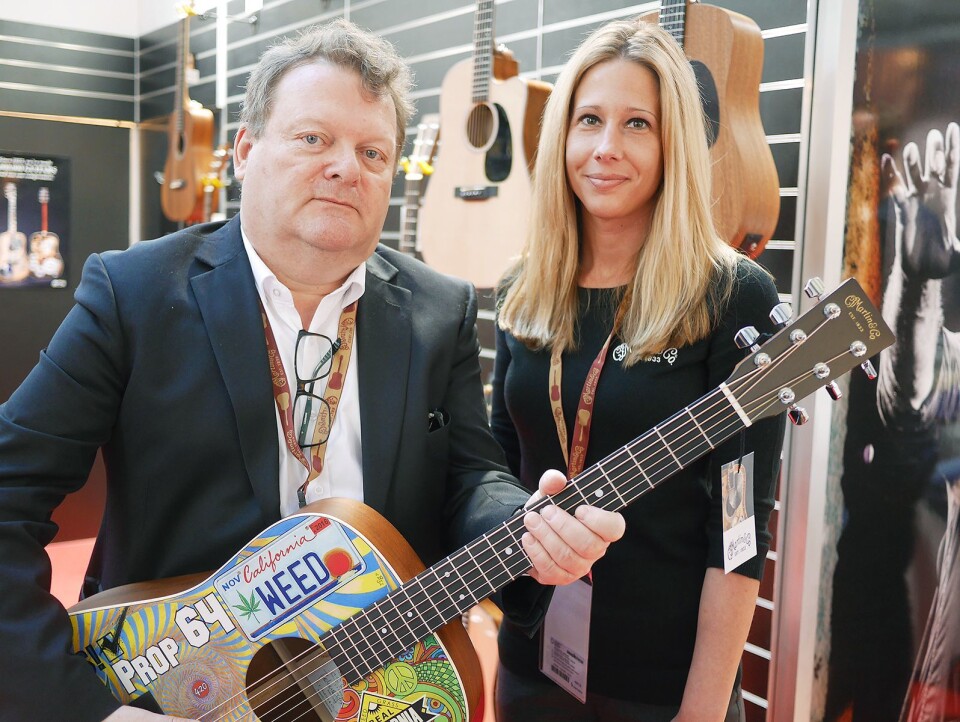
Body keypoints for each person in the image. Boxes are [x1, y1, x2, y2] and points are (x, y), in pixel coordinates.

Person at [0, 19, 625, 722]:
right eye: (312, 139)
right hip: (174, 695)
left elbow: (468, 479)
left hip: (372, 687)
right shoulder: (133, 294)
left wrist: (525, 525)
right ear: (244, 150)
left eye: (372, 151)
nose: (344, 167)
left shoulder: (439, 307)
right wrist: (91, 712)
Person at [491, 20, 786, 722]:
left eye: (636, 125)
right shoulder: (521, 288)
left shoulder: (733, 296)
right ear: (561, 133)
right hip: (529, 666)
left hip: (665, 688)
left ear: (672, 143)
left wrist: (702, 711)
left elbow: (739, 530)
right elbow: (498, 469)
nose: (605, 149)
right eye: (588, 120)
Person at [824, 122, 960, 722]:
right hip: (855, 587)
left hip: (883, 593)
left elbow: (907, 406)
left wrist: (920, 293)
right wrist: (918, 289)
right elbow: (902, 402)